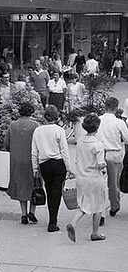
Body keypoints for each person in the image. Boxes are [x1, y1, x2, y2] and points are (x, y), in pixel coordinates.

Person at [66, 114, 108, 243]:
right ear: (97, 127)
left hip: (81, 177)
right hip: (94, 177)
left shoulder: (80, 141)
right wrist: (105, 165)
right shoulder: (97, 144)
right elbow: (101, 164)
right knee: (99, 205)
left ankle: (74, 222)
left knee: (84, 203)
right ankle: (95, 232)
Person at [32, 105, 73, 232]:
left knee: (49, 190)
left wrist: (35, 168)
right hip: (58, 162)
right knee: (56, 192)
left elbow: (34, 151)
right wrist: (68, 167)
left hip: (44, 163)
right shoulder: (59, 130)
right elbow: (64, 150)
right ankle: (53, 220)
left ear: (45, 117)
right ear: (57, 117)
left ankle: (52, 217)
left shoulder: (38, 130)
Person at [4, 102, 39, 224]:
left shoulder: (13, 126)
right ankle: (32, 212)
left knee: (21, 186)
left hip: (17, 160)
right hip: (32, 160)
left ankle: (23, 213)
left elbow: (6, 144)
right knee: (34, 186)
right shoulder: (35, 125)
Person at [96, 97, 128, 223]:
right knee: (114, 182)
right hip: (114, 153)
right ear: (116, 108)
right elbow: (127, 138)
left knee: (101, 183)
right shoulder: (118, 122)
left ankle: (101, 211)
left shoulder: (98, 119)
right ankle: (114, 205)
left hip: (100, 152)